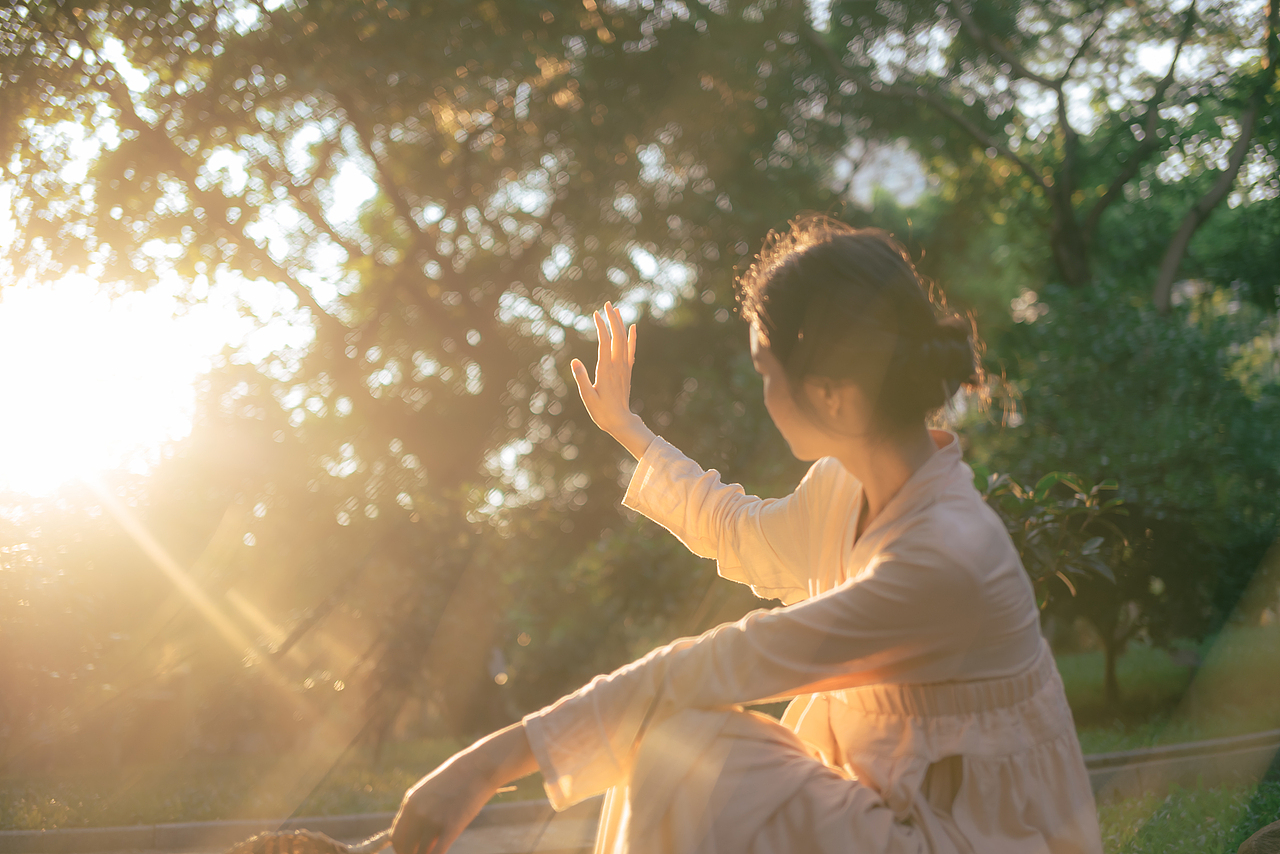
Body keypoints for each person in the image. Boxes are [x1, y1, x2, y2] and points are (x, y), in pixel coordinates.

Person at [389, 215, 1102, 854]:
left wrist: (485, 765)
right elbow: (738, 532)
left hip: (970, 841)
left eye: (766, 371)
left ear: (831, 394)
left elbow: (723, 661)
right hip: (894, 814)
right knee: (675, 741)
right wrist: (628, 430)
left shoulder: (945, 555)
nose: (762, 393)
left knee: (681, 748)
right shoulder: (845, 488)